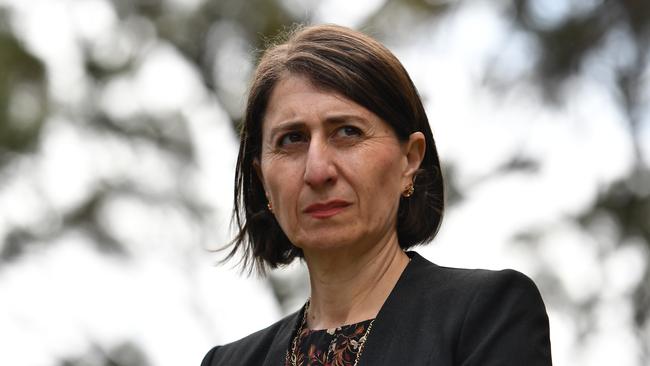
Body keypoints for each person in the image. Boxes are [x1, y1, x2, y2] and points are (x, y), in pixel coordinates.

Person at [201, 24, 552, 366]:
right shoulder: (227, 362)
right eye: (292, 139)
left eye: (347, 132)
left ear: (409, 160)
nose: (318, 171)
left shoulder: (487, 316)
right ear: (264, 180)